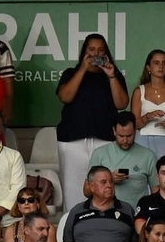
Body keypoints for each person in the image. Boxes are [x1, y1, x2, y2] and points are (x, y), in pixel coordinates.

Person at [54, 34, 130, 213]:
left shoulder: (114, 75)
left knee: (105, 188)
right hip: (73, 141)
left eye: (101, 50)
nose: (96, 53)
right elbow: (65, 97)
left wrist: (111, 76)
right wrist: (82, 69)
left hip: (104, 140)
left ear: (107, 54)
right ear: (84, 53)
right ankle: (72, 230)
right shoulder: (71, 73)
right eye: (91, 50)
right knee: (72, 191)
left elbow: (122, 104)